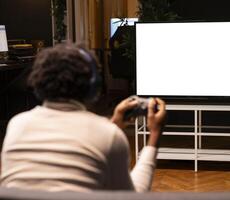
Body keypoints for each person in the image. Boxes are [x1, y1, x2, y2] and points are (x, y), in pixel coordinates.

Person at [0, 43, 166, 193]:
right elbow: (131, 197)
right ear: (93, 87)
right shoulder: (109, 134)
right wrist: (154, 136)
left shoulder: (17, 125)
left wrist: (114, 124)